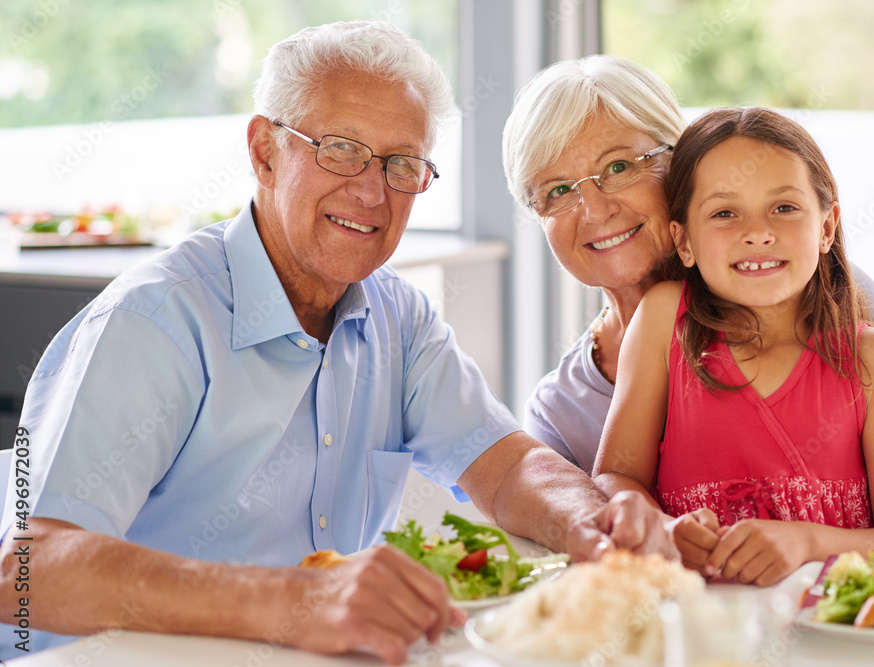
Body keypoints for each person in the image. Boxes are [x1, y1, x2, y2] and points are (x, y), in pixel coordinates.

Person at [0, 23, 677, 664]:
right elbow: (25, 570)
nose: (371, 192)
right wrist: (294, 599)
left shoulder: (399, 318)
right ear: (265, 151)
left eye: (402, 164)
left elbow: (506, 469)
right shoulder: (153, 320)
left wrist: (596, 519)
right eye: (342, 150)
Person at [501, 54, 874, 574]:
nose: (594, 208)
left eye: (619, 166)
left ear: (679, 164)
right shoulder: (558, 412)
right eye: (556, 191)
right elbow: (580, 568)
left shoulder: (840, 306)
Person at [594, 106, 874, 586]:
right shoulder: (662, 321)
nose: (757, 232)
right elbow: (614, 478)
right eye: (724, 213)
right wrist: (664, 529)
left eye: (784, 208)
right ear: (684, 241)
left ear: (826, 227)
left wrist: (808, 542)